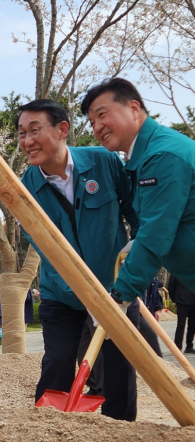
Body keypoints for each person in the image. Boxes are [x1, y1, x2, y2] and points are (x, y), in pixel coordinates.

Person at [17, 99, 140, 421]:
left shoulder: (104, 163)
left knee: (117, 366)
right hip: (62, 293)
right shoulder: (23, 188)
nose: (27, 141)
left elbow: (135, 207)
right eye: (21, 134)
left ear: (62, 129)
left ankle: (120, 432)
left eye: (34, 130)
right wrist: (83, 295)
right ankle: (45, 431)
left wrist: (137, 247)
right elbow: (40, 243)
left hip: (115, 291)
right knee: (57, 360)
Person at [81, 78, 195, 305]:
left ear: (134, 109)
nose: (97, 127)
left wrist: (120, 295)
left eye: (102, 115)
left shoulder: (161, 155)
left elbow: (155, 234)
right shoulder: (142, 159)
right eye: (92, 122)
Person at [167, 275, 195, 353]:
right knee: (181, 325)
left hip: (193, 302)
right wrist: (175, 300)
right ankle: (177, 346)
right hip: (182, 302)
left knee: (192, 325)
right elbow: (171, 287)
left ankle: (189, 346)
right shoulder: (176, 272)